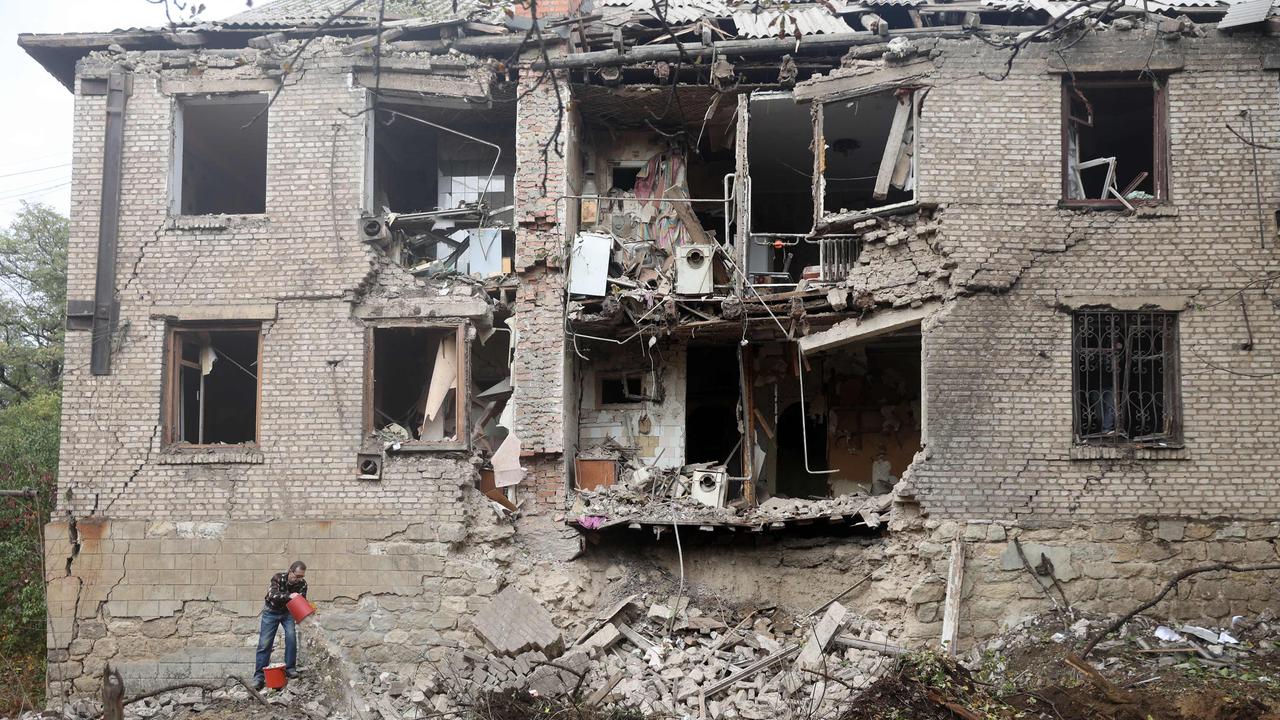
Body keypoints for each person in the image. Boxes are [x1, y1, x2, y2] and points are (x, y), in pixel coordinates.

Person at [253, 560, 308, 689]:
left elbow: (302, 601)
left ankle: (290, 668)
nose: (299, 579)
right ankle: (259, 677)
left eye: (302, 577)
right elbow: (273, 595)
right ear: (290, 572)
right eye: (297, 576)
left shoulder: (303, 584)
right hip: (271, 612)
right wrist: (291, 596)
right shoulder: (278, 578)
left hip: (287, 613)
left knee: (291, 638)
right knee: (265, 644)